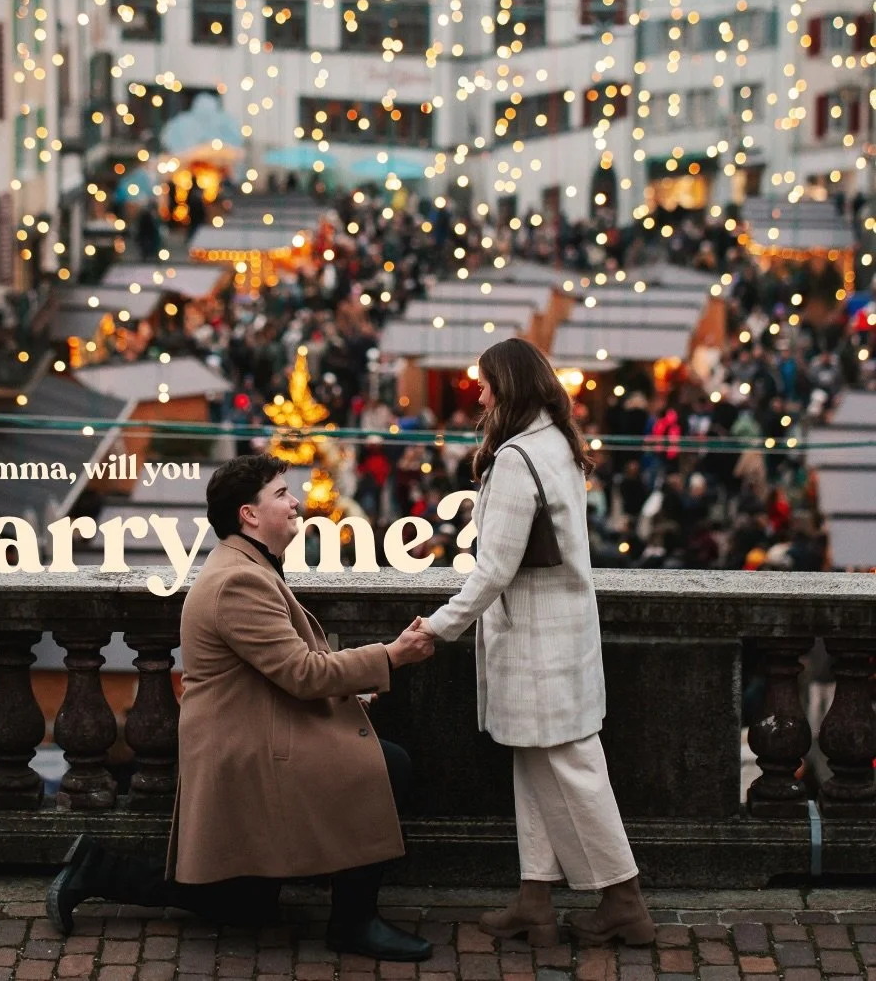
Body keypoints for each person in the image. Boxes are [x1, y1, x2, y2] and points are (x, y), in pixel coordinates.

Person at [46, 454, 434, 962]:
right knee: (384, 765)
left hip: (251, 730)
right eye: (281, 494)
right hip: (244, 746)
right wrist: (391, 656)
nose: (295, 502)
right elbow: (300, 673)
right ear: (249, 515)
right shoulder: (239, 580)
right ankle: (354, 922)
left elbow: (277, 668)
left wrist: (347, 690)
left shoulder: (245, 565)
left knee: (240, 901)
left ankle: (95, 870)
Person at [412, 338, 654, 947]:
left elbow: (493, 569)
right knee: (542, 765)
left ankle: (624, 900)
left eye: (487, 383)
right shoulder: (558, 446)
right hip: (563, 635)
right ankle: (535, 898)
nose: (481, 394)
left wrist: (439, 626)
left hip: (536, 646)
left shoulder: (517, 459)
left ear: (510, 387)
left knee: (573, 769)